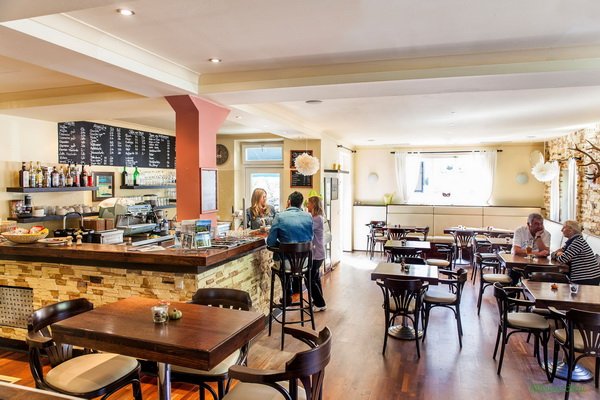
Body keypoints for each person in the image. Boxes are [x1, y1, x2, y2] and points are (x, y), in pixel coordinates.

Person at [266, 191, 314, 303]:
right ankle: (290, 292)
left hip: (286, 264)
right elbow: (311, 237)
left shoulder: (279, 216)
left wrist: (282, 245)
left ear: (289, 202)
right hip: (305, 263)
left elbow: (270, 242)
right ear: (301, 203)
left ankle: (287, 293)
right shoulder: (308, 216)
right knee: (286, 255)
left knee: (283, 259)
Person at [552, 220, 600, 285]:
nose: (561, 230)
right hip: (582, 277)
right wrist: (557, 254)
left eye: (564, 227)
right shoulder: (572, 241)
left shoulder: (577, 242)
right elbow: (556, 253)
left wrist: (558, 254)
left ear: (571, 230)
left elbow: (562, 259)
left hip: (587, 278)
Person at [306, 196, 327, 312]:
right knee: (315, 278)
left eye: (308, 203)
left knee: (309, 279)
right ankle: (318, 301)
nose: (307, 205)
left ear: (313, 205)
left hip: (317, 254)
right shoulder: (315, 218)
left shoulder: (317, 219)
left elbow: (306, 229)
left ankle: (320, 303)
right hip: (318, 253)